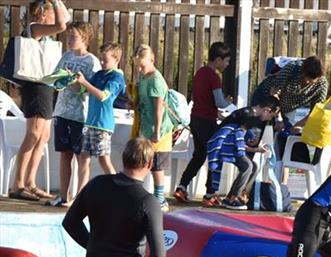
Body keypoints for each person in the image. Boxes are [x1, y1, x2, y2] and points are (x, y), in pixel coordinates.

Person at [8, 0, 68, 202]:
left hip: (46, 85)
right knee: (33, 133)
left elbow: (64, 20)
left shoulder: (47, 39)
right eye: (51, 13)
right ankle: (18, 184)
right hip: (35, 85)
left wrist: (58, 5)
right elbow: (62, 25)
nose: (55, 16)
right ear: (43, 15)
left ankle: (31, 183)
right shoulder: (33, 29)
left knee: (44, 135)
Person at [47, 21, 100, 207]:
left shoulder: (91, 61)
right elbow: (55, 77)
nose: (69, 40)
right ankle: (63, 195)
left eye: (73, 37)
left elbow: (90, 88)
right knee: (64, 154)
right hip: (62, 111)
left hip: (80, 114)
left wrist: (75, 82)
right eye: (68, 36)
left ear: (84, 38)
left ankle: (79, 199)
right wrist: (58, 79)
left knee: (82, 156)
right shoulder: (66, 56)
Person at [174, 42, 232, 203]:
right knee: (215, 155)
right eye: (226, 61)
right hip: (207, 122)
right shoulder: (214, 76)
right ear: (219, 59)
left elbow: (201, 99)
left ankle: (182, 186)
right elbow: (219, 102)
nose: (227, 65)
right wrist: (227, 103)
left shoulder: (200, 72)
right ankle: (210, 193)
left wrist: (216, 112)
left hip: (196, 119)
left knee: (199, 155)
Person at [253, 56, 328, 178]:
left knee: (284, 142)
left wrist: (297, 125)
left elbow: (315, 112)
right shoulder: (292, 68)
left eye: (311, 80)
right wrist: (278, 118)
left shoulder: (322, 84)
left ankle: (280, 185)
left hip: (287, 107)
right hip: (266, 99)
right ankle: (250, 182)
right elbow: (274, 93)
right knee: (256, 136)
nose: (307, 82)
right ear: (302, 71)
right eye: (305, 77)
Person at [72, 42, 126, 203]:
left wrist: (85, 83)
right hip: (90, 123)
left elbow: (103, 96)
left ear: (116, 59)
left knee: (103, 159)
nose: (102, 63)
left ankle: (119, 192)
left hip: (103, 125)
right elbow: (82, 90)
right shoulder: (99, 74)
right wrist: (72, 79)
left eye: (105, 60)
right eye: (101, 59)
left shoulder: (117, 78)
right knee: (83, 157)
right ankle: (80, 195)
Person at [205, 97, 279, 210]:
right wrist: (255, 150)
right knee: (248, 166)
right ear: (266, 110)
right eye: (271, 116)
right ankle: (234, 198)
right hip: (222, 144)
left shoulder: (249, 113)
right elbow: (237, 143)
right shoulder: (248, 116)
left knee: (253, 166)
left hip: (227, 144)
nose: (268, 119)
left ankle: (230, 197)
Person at [134, 44, 172, 211]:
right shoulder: (143, 78)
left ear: (152, 60)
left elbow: (159, 108)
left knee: (157, 164)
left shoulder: (156, 80)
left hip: (159, 130)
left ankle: (160, 198)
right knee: (143, 160)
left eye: (142, 66)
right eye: (138, 66)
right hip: (146, 126)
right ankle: (141, 194)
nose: (140, 69)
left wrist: (157, 131)